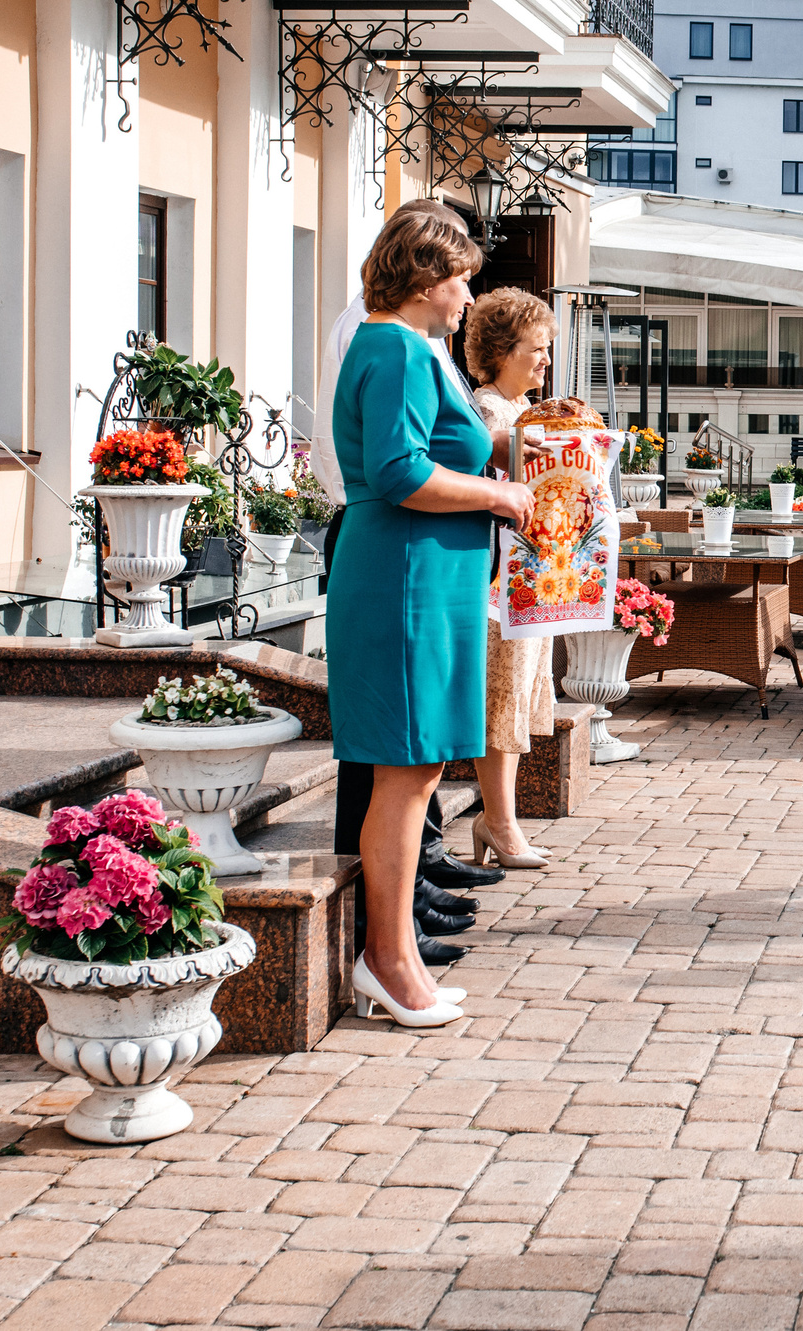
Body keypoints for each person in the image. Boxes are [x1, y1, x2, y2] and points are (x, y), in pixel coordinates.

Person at [330, 215, 531, 1028]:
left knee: (415, 771)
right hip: (404, 581)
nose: (468, 297)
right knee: (405, 772)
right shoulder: (399, 349)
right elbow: (399, 470)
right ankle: (387, 960)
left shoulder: (399, 346)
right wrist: (500, 494)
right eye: (462, 279)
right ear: (424, 278)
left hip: (419, 578)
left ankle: (395, 957)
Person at [463, 286, 559, 871]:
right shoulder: (488, 413)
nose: (545, 358)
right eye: (536, 348)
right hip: (502, 579)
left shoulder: (524, 411)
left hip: (532, 576)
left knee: (519, 693)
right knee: (503, 694)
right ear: (502, 351)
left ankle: (499, 819)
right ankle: (499, 823)